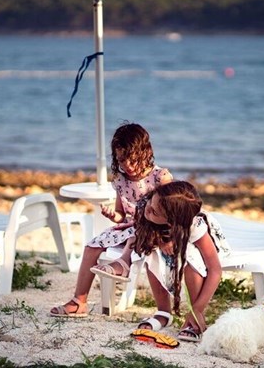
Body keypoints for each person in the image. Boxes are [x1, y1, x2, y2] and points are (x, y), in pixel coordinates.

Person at [50, 122, 172, 317]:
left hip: (155, 228)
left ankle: (122, 265)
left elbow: (172, 210)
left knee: (138, 234)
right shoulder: (120, 180)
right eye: (121, 159)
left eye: (132, 159)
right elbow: (120, 215)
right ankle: (79, 301)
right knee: (92, 246)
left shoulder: (160, 177)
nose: (127, 165)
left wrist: (168, 237)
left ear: (146, 153)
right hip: (130, 226)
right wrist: (112, 215)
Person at [132, 181, 230, 343]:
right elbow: (142, 232)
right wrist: (161, 241)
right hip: (172, 238)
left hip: (202, 247)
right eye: (151, 201)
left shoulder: (195, 227)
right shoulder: (149, 206)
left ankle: (194, 315)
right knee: (152, 251)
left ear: (171, 222)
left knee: (191, 258)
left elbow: (215, 270)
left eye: (155, 211)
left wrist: (197, 309)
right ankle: (163, 312)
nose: (148, 208)